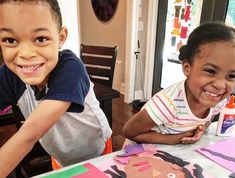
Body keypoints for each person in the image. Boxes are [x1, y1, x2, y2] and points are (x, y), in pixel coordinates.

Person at [0, 0, 112, 177]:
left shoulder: (71, 68)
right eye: (10, 40)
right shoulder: (9, 74)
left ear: (61, 38)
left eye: (41, 39)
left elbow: (30, 133)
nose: (26, 53)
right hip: (59, 153)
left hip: (95, 149)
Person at [123, 22, 235, 145]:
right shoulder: (166, 104)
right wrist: (174, 139)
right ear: (187, 68)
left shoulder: (219, 101)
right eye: (210, 71)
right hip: (138, 156)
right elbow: (129, 132)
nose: (220, 85)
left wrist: (200, 130)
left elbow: (207, 120)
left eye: (231, 76)